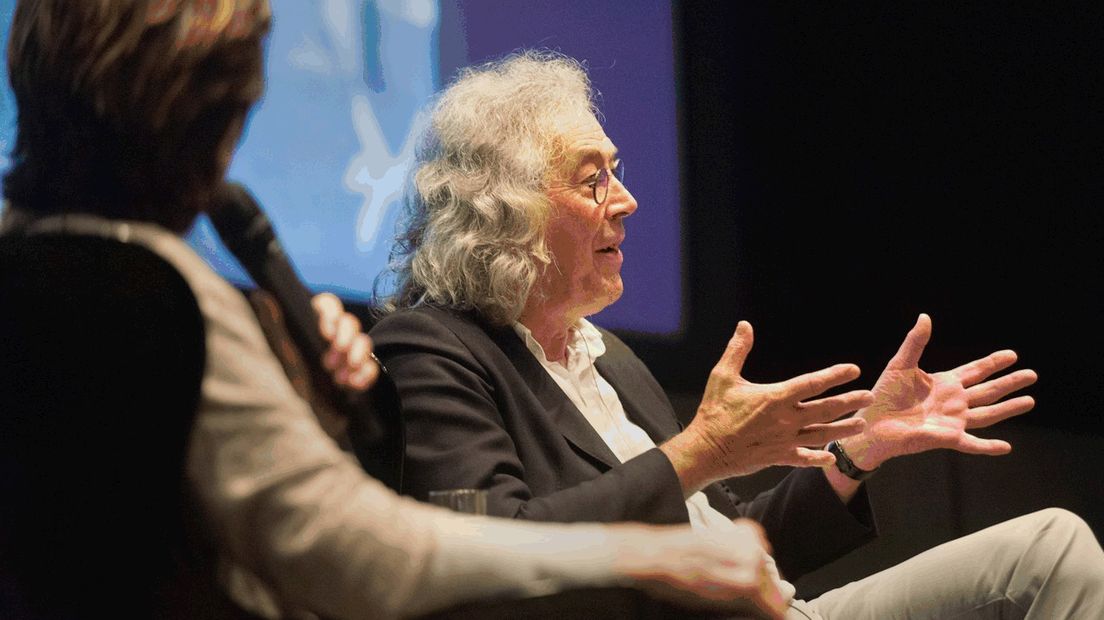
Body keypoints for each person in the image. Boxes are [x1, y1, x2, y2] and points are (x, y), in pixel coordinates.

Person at [0, 2, 805, 618]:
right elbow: (358, 553)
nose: (625, 203)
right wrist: (630, 555)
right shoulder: (161, 298)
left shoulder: (41, 264)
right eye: (592, 179)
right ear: (213, 124)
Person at [370, 50, 1104, 618]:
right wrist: (700, 451)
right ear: (507, 209)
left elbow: (734, 542)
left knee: (1050, 551)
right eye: (592, 179)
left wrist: (857, 452)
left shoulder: (609, 359)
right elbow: (494, 558)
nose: (625, 200)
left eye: (616, 172)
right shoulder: (435, 349)